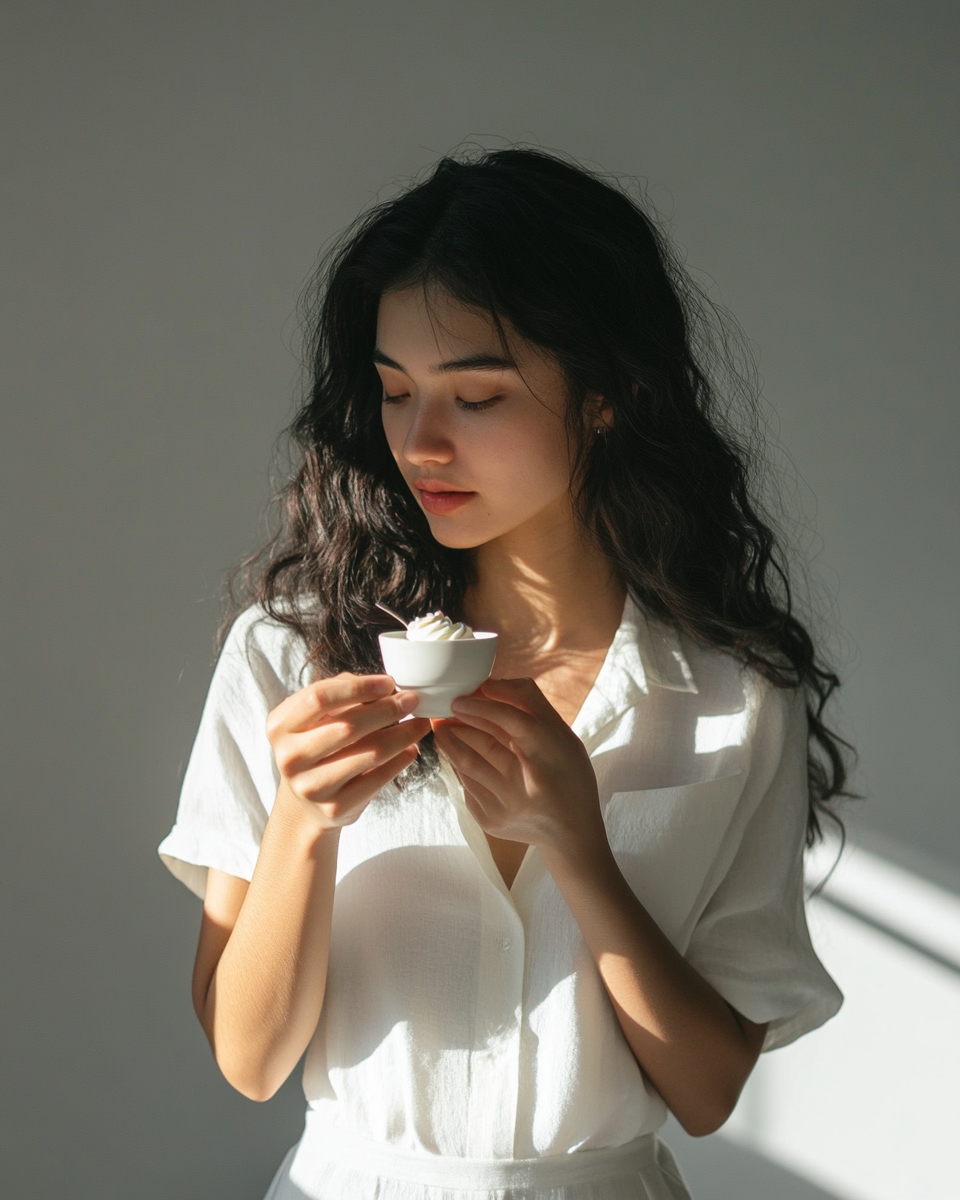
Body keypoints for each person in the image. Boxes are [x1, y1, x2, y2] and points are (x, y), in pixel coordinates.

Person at [159, 147, 849, 1200]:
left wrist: (580, 841)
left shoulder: (733, 692)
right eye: (394, 392)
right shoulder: (292, 657)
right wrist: (302, 821)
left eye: (477, 397)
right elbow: (249, 1062)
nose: (421, 443)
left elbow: (709, 1093)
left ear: (610, 394)